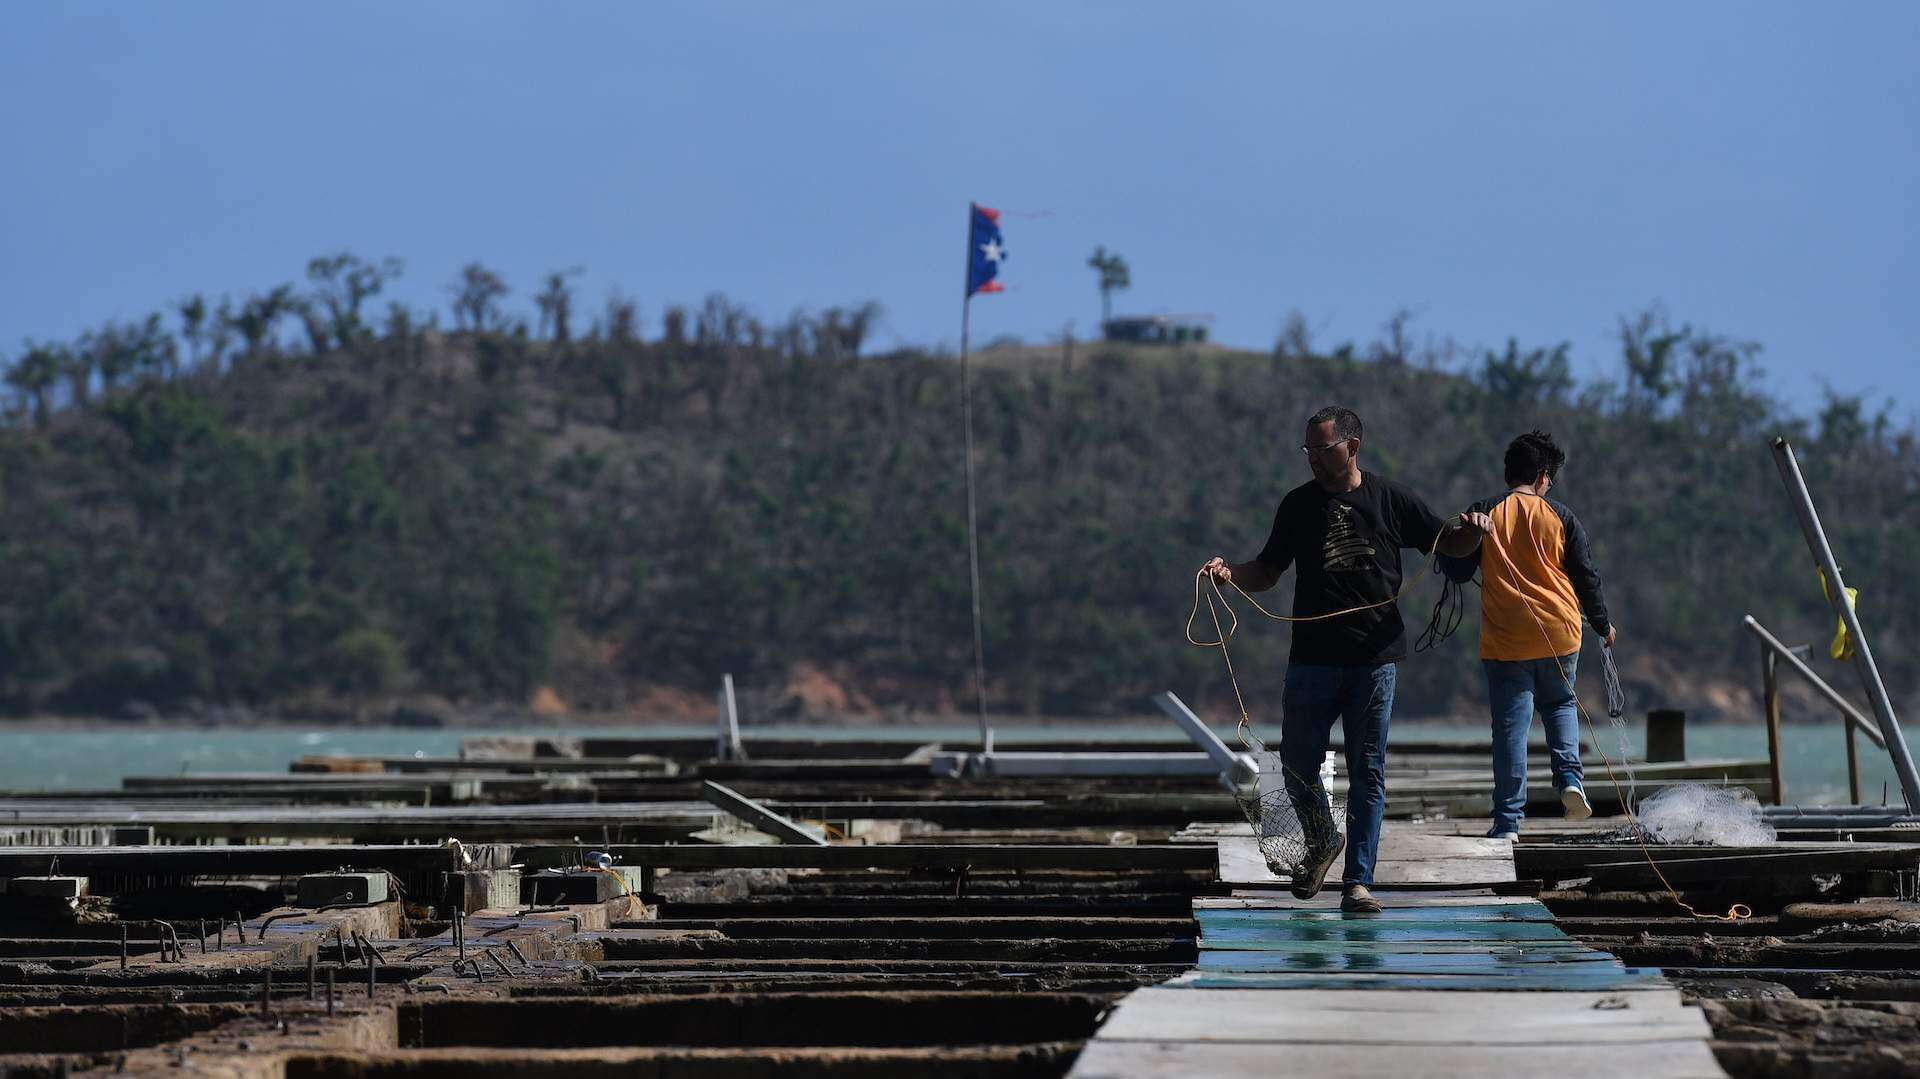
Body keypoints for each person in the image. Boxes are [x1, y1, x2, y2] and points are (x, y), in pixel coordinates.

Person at [1202, 406, 1487, 913]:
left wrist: (1477, 530)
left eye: (1322, 449)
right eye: (1307, 449)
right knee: (1295, 764)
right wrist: (1229, 573)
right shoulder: (1297, 506)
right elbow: (1267, 570)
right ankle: (1319, 842)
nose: (1313, 458)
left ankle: (1357, 882)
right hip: (1311, 658)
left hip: (1374, 660)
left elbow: (1450, 543)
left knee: (1367, 771)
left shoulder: (1391, 499)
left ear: (1352, 447)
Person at [1439, 430, 1615, 840]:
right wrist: (1603, 624)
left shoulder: (1484, 512)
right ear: (1541, 477)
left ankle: (1507, 823)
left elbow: (1456, 569)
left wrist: (1471, 533)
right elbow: (1586, 577)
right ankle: (1571, 780)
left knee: (1510, 729)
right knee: (1559, 705)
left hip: (1507, 639)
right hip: (1561, 631)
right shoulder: (1562, 517)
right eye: (1550, 478)